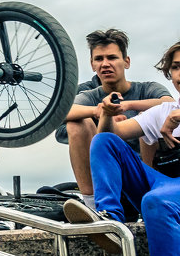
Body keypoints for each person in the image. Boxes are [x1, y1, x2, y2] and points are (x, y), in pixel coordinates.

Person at [63, 40, 180, 256]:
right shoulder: (166, 110)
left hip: (167, 193)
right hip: (163, 182)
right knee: (103, 142)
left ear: (126, 61)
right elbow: (110, 136)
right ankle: (110, 222)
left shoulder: (162, 103)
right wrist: (107, 111)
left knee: (154, 202)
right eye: (177, 67)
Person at [59, 29, 172, 209]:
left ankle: (146, 197)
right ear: (92, 64)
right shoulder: (89, 95)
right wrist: (100, 112)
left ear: (126, 62)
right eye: (99, 59)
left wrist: (128, 106)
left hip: (146, 176)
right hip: (104, 180)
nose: (105, 64)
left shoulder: (148, 89)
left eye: (112, 58)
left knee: (149, 116)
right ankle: (92, 206)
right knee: (77, 123)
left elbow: (169, 104)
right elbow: (63, 112)